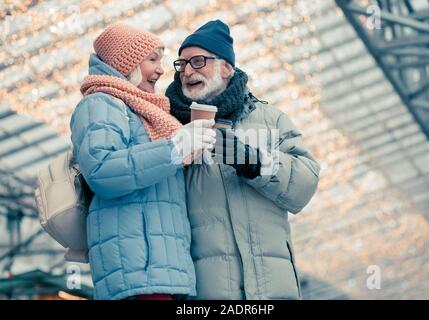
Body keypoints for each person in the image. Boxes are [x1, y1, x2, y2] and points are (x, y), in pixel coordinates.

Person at [166, 20, 320, 300]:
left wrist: (254, 162)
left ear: (226, 67)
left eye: (198, 61)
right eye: (182, 64)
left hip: (273, 289)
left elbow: (305, 183)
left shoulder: (270, 119)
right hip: (206, 293)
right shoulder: (168, 125)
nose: (187, 71)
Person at [70, 23, 216, 300]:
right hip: (138, 269)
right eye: (152, 59)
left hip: (161, 268)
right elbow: (102, 171)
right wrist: (174, 149)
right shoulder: (101, 104)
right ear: (126, 63)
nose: (161, 69)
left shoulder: (145, 110)